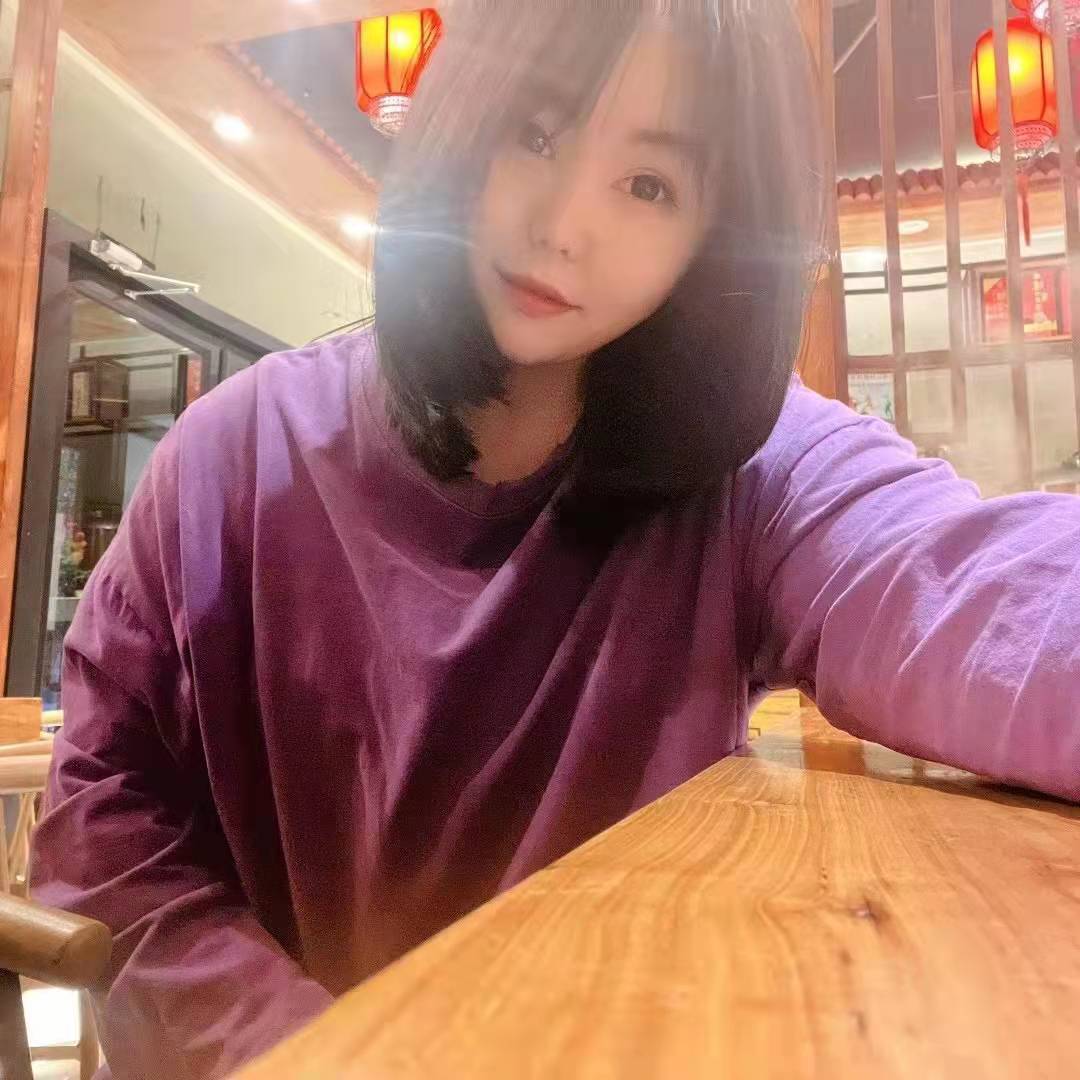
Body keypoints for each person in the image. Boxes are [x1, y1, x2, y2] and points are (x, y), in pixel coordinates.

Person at [31, 2, 1080, 1078]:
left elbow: (976, 592)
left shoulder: (753, 472)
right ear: (462, 112)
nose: (564, 224)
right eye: (534, 132)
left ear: (713, 239)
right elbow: (105, 817)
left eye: (649, 185)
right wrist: (312, 1051)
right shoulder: (232, 454)